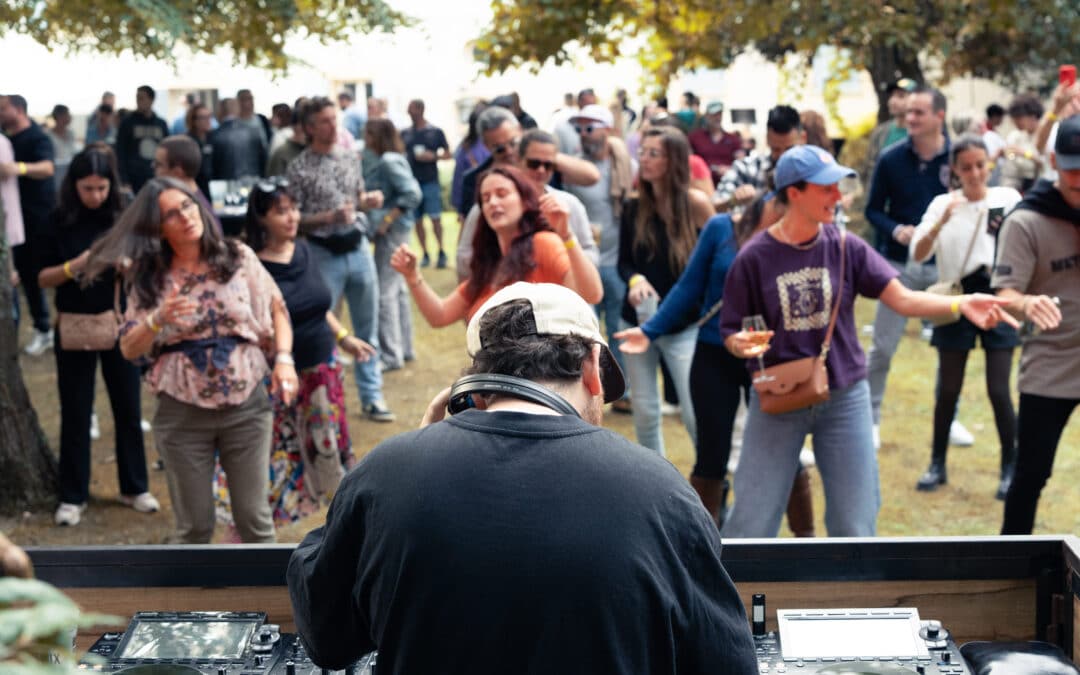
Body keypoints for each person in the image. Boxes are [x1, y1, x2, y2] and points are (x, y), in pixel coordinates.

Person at [286, 281, 758, 674]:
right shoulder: (662, 491)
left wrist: (411, 454)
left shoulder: (384, 474)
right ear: (593, 368)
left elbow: (325, 635)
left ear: (475, 382)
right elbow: (726, 663)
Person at [718, 145, 1015, 538]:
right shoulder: (754, 257)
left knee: (854, 524)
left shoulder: (845, 246)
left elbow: (903, 298)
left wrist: (962, 303)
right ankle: (745, 598)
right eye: (826, 189)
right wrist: (741, 344)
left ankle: (848, 596)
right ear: (794, 193)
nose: (838, 197)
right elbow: (731, 330)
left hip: (844, 397)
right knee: (751, 523)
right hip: (778, 396)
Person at [82, 177, 298, 544]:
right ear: (158, 229)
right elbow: (129, 348)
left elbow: (277, 307)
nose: (186, 217)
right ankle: (193, 601)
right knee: (195, 527)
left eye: (187, 205)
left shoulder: (237, 255)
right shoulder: (148, 276)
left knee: (255, 522)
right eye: (171, 214)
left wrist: (284, 360)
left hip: (246, 404)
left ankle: (271, 601)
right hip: (182, 412)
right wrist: (158, 318)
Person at [615, 193, 816, 536]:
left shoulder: (799, 235)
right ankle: (704, 546)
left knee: (784, 448)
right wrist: (651, 329)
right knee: (712, 455)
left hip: (768, 356)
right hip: (714, 351)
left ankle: (807, 540)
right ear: (776, 202)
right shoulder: (721, 228)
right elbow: (689, 285)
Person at [219, 178, 376, 532]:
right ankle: (255, 530)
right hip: (278, 377)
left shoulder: (302, 249)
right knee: (277, 456)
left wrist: (344, 337)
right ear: (261, 218)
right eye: (280, 211)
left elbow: (318, 303)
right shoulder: (249, 264)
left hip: (322, 370)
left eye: (294, 209)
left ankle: (342, 526)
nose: (291, 218)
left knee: (328, 449)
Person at [36, 144, 159, 527]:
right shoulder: (56, 220)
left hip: (118, 322)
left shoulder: (121, 216)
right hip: (74, 325)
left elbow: (146, 265)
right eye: (88, 188)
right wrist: (78, 265)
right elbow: (41, 278)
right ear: (73, 185)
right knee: (75, 409)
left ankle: (135, 486)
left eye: (102, 187)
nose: (95, 195)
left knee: (128, 406)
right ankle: (72, 495)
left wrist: (128, 266)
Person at [909, 135, 1021, 497]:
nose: (975, 173)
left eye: (980, 164)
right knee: (949, 388)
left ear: (989, 163)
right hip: (957, 297)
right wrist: (940, 222)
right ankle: (937, 463)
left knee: (999, 389)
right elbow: (919, 254)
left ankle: (1010, 467)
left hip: (996, 295)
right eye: (966, 167)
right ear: (954, 170)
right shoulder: (943, 203)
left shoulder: (1008, 199)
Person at [865, 84, 974, 450]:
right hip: (900, 266)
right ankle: (871, 420)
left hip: (947, 268)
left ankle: (952, 418)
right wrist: (896, 230)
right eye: (908, 112)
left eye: (918, 113)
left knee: (951, 350)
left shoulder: (959, 159)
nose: (909, 119)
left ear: (939, 116)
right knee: (882, 347)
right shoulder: (891, 158)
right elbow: (872, 210)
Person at [285, 97, 396, 423]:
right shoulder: (299, 168)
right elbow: (294, 218)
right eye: (324, 121)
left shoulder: (350, 157)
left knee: (367, 326)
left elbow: (356, 199)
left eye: (335, 119)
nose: (333, 126)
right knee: (326, 328)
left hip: (357, 248)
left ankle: (372, 397)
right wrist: (326, 216)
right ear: (308, 127)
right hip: (322, 253)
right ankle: (327, 395)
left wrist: (368, 201)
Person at [997, 115, 1080, 535]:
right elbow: (1004, 295)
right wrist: (1027, 302)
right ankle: (1008, 569)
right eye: (1070, 167)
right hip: (1050, 365)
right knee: (1030, 475)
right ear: (1052, 160)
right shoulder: (1026, 221)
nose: (1079, 177)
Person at [391, 165, 601, 327]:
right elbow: (440, 315)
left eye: (502, 194)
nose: (492, 203)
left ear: (524, 200)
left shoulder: (543, 244)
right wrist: (412, 276)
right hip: (499, 377)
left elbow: (591, 294)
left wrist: (567, 236)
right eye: (486, 198)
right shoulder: (488, 264)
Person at [618, 126, 714, 456]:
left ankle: (712, 486)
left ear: (673, 160)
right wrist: (635, 280)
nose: (643, 159)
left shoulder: (696, 205)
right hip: (637, 321)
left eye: (652, 153)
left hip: (683, 325)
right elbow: (624, 263)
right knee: (645, 413)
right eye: (642, 152)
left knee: (694, 411)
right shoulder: (633, 207)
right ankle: (657, 489)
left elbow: (716, 261)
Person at [563, 104, 635, 402]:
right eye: (578, 128)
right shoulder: (574, 168)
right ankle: (591, 391)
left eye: (590, 127)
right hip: (586, 264)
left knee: (618, 331)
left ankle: (623, 392)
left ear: (607, 130)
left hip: (617, 262)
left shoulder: (626, 166)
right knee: (587, 333)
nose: (583, 134)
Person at [456, 129, 600, 277]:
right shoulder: (491, 205)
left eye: (549, 165)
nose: (541, 170)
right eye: (534, 163)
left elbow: (591, 253)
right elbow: (464, 258)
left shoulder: (569, 204)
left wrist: (561, 260)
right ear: (518, 160)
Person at [458, 106, 599, 219]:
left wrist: (542, 156)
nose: (509, 151)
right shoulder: (474, 179)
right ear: (486, 145)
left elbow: (591, 176)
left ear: (520, 130)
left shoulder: (541, 164)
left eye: (513, 142)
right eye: (500, 148)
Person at [363, 119, 422, 372]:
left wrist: (386, 220)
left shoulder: (388, 160)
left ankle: (391, 355)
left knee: (385, 292)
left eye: (367, 135)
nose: (364, 140)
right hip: (398, 231)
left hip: (393, 232)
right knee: (397, 291)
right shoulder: (393, 157)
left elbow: (412, 194)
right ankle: (404, 349)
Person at [0, 94, 57, 356]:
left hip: (36, 220)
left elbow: (47, 168)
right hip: (14, 219)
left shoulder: (37, 137)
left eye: (3, 108)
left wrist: (17, 169)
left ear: (19, 109)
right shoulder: (8, 138)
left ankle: (43, 328)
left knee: (33, 275)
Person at [712, 104, 804, 210]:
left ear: (802, 138)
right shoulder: (745, 168)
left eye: (789, 149)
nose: (782, 156)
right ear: (767, 139)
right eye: (776, 149)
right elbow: (714, 207)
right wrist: (733, 200)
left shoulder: (812, 172)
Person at [401, 99, 451, 269]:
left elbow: (448, 154)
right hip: (412, 183)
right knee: (417, 220)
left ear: (421, 110)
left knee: (435, 218)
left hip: (430, 181)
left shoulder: (435, 132)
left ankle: (441, 251)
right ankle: (425, 253)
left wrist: (433, 157)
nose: (410, 114)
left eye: (412, 110)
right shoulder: (405, 133)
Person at [153, 135, 222, 234]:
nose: (154, 170)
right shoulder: (197, 207)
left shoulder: (200, 218)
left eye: (158, 165)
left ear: (177, 172)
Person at [115, 85, 168, 194]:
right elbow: (120, 151)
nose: (138, 101)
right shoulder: (127, 123)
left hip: (155, 175)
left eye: (142, 98)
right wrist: (124, 179)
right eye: (137, 98)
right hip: (134, 177)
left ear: (151, 100)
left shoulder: (161, 124)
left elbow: (167, 150)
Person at [863, 78, 916, 180]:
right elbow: (870, 170)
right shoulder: (880, 133)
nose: (893, 101)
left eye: (901, 96)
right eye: (892, 95)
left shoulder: (922, 133)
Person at [450, 102, 490, 222]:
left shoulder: (465, 147)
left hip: (473, 201)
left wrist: (459, 207)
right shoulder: (468, 147)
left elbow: (458, 180)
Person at [688, 101, 743, 186]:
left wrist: (729, 170)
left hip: (726, 185)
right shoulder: (695, 137)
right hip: (701, 184)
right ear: (706, 116)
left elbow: (741, 163)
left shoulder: (733, 139)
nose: (717, 118)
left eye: (719, 114)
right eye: (714, 115)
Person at [1000, 93, 1044, 193]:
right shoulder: (1015, 136)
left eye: (1019, 118)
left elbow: (1045, 164)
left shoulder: (1046, 134)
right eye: (1014, 118)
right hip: (1019, 185)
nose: (1015, 122)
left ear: (1033, 116)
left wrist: (1025, 154)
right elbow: (1010, 168)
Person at [183, 104, 214, 199]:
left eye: (209, 117)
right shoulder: (187, 141)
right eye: (203, 117)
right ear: (194, 121)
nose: (208, 120)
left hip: (212, 186)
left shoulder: (213, 138)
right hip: (194, 188)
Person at [45, 104, 78, 184]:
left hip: (70, 173)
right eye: (67, 114)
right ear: (59, 116)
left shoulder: (71, 133)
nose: (70, 117)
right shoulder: (47, 135)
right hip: (55, 175)